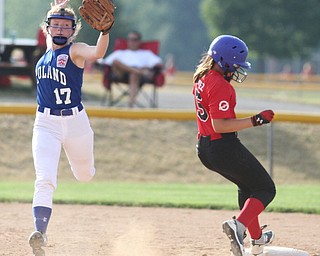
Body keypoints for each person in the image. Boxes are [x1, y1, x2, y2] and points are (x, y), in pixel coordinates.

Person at [28, 0, 111, 255]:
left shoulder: (75, 51)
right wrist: (55, 9)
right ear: (48, 28)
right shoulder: (45, 56)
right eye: (56, 25)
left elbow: (97, 53)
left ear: (73, 30)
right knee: (44, 179)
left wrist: (105, 32)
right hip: (45, 123)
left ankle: (85, 171)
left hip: (76, 122)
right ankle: (40, 232)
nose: (61, 30)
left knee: (84, 175)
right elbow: (50, 32)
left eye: (66, 26)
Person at [192, 35, 276, 256]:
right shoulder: (220, 85)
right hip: (222, 146)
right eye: (235, 64)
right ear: (224, 61)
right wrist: (255, 120)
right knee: (266, 189)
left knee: (248, 189)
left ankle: (257, 240)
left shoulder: (202, 77)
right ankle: (238, 226)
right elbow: (219, 125)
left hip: (205, 148)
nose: (238, 69)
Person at [102, 31, 162, 107]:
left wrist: (145, 68)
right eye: (129, 39)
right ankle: (137, 72)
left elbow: (158, 63)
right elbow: (106, 62)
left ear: (139, 41)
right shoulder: (120, 52)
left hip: (138, 77)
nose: (131, 41)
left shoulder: (146, 53)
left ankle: (130, 104)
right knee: (115, 62)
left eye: (134, 39)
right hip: (121, 73)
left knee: (134, 75)